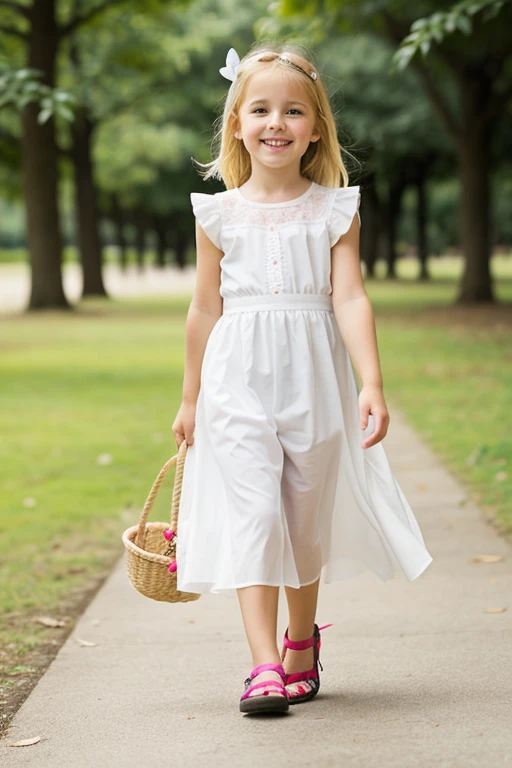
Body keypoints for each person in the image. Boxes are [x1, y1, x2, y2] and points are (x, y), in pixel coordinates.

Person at [172, 41, 433, 715]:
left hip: (314, 375)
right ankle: (263, 667)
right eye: (259, 109)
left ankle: (300, 641)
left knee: (303, 517)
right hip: (238, 375)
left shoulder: (333, 210)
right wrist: (190, 397)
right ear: (237, 124)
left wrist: (371, 382)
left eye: (293, 110)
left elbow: (349, 298)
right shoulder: (217, 214)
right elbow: (204, 309)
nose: (276, 122)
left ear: (316, 126)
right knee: (254, 511)